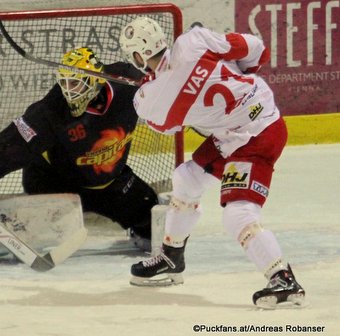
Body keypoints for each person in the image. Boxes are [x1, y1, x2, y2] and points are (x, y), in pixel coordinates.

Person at [118, 17, 305, 308]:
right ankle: (172, 255)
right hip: (246, 123)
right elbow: (256, 49)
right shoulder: (194, 40)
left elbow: (166, 126)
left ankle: (283, 278)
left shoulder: (150, 99)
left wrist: (152, 84)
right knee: (187, 178)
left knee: (237, 215)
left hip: (257, 136)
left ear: (137, 57)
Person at [0, 47, 157, 246]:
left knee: (151, 217)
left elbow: (166, 82)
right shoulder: (50, 111)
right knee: (48, 231)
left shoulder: (128, 82)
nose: (69, 90)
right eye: (65, 82)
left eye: (75, 83)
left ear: (94, 79)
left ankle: (139, 229)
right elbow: (7, 144)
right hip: (54, 185)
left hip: (110, 184)